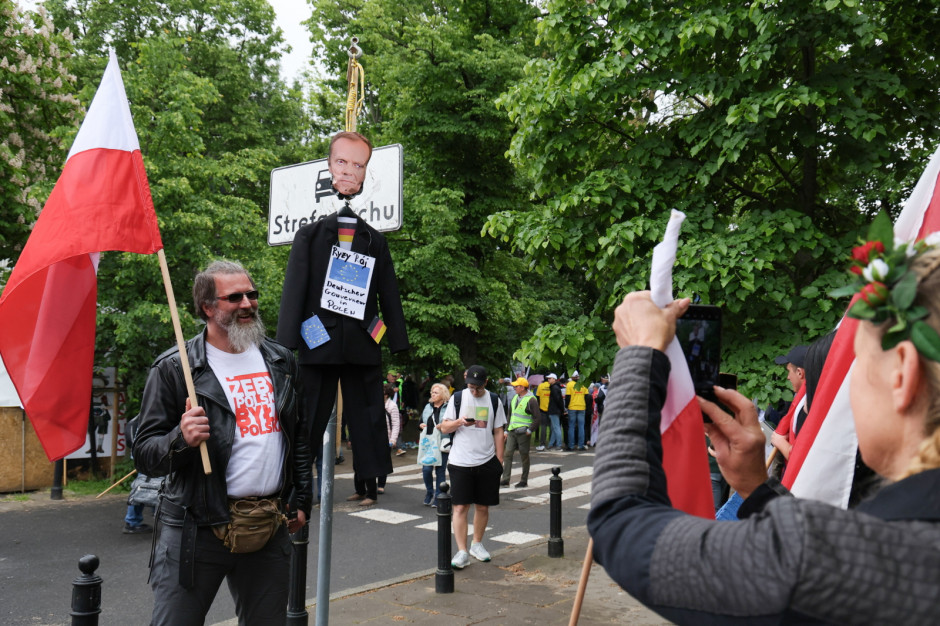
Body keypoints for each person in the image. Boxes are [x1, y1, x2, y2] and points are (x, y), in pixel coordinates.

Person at [589, 235, 940, 623]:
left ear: (901, 375)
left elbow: (622, 525)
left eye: (857, 364)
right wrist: (758, 488)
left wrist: (639, 354)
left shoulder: (877, 555)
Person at [134, 260, 312, 626]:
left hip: (269, 523)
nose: (248, 303)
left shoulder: (281, 360)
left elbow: (299, 435)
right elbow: (145, 455)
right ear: (208, 307)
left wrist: (301, 499)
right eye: (234, 297)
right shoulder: (174, 368)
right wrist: (180, 439)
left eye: (252, 294)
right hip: (195, 529)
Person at [277, 131, 408, 501]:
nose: (350, 170)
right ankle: (295, 486)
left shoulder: (375, 240)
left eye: (359, 164)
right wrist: (286, 342)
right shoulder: (309, 236)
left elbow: (390, 293)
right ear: (330, 167)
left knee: (368, 416)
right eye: (342, 162)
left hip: (364, 341)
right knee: (307, 418)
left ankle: (369, 482)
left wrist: (395, 338)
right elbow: (294, 290)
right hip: (316, 339)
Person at [439, 365, 506, 569]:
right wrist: (459, 422)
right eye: (471, 386)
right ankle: (462, 551)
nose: (474, 391)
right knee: (460, 506)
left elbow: (498, 430)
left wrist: (499, 460)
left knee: (483, 506)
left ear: (485, 382)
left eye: (477, 387)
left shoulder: (494, 400)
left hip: (486, 461)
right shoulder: (458, 398)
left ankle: (477, 543)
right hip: (460, 461)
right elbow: (444, 426)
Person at [500, 377, 542, 488]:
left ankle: (524, 480)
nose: (514, 388)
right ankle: (505, 479)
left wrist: (529, 430)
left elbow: (537, 418)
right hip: (512, 431)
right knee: (507, 454)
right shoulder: (515, 398)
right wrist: (506, 430)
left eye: (516, 386)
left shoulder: (531, 400)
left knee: (524, 455)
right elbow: (510, 415)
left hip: (523, 432)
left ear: (522, 387)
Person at [770, 344, 808, 461]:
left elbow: (801, 459)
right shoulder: (803, 398)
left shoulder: (808, 406)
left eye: (789, 371)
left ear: (800, 373)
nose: (787, 377)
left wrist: (780, 442)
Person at [419, 382, 451, 506]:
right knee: (426, 469)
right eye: (432, 392)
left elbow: (452, 424)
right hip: (429, 442)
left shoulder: (449, 407)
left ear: (443, 394)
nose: (433, 394)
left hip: (442, 442)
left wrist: (443, 426)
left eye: (436, 392)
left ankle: (439, 496)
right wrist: (420, 425)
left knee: (440, 470)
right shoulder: (428, 406)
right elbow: (421, 420)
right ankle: (429, 492)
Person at [565, 370, 589, 450]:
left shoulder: (569, 384)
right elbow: (587, 397)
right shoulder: (583, 384)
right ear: (578, 377)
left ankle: (571, 446)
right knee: (581, 426)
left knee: (571, 426)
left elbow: (567, 397)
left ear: (572, 377)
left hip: (572, 407)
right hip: (582, 407)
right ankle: (580, 445)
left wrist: (566, 406)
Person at [545, 374, 566, 449]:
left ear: (554, 379)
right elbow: (559, 400)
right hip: (556, 410)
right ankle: (551, 443)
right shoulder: (556, 387)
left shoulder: (554, 388)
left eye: (549, 378)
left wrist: (562, 409)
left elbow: (558, 400)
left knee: (556, 428)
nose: (548, 380)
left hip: (554, 410)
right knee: (554, 427)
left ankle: (559, 444)